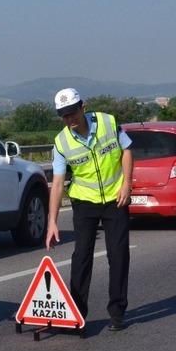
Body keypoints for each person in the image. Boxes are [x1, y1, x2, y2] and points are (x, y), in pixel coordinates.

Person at [45, 88, 134, 332]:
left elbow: (126, 149)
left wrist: (127, 184)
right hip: (84, 202)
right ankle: (77, 314)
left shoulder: (107, 122)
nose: (70, 119)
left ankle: (117, 312)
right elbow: (58, 183)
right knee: (81, 257)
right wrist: (52, 221)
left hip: (115, 198)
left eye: (73, 113)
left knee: (118, 255)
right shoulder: (62, 142)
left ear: (82, 107)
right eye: (64, 116)